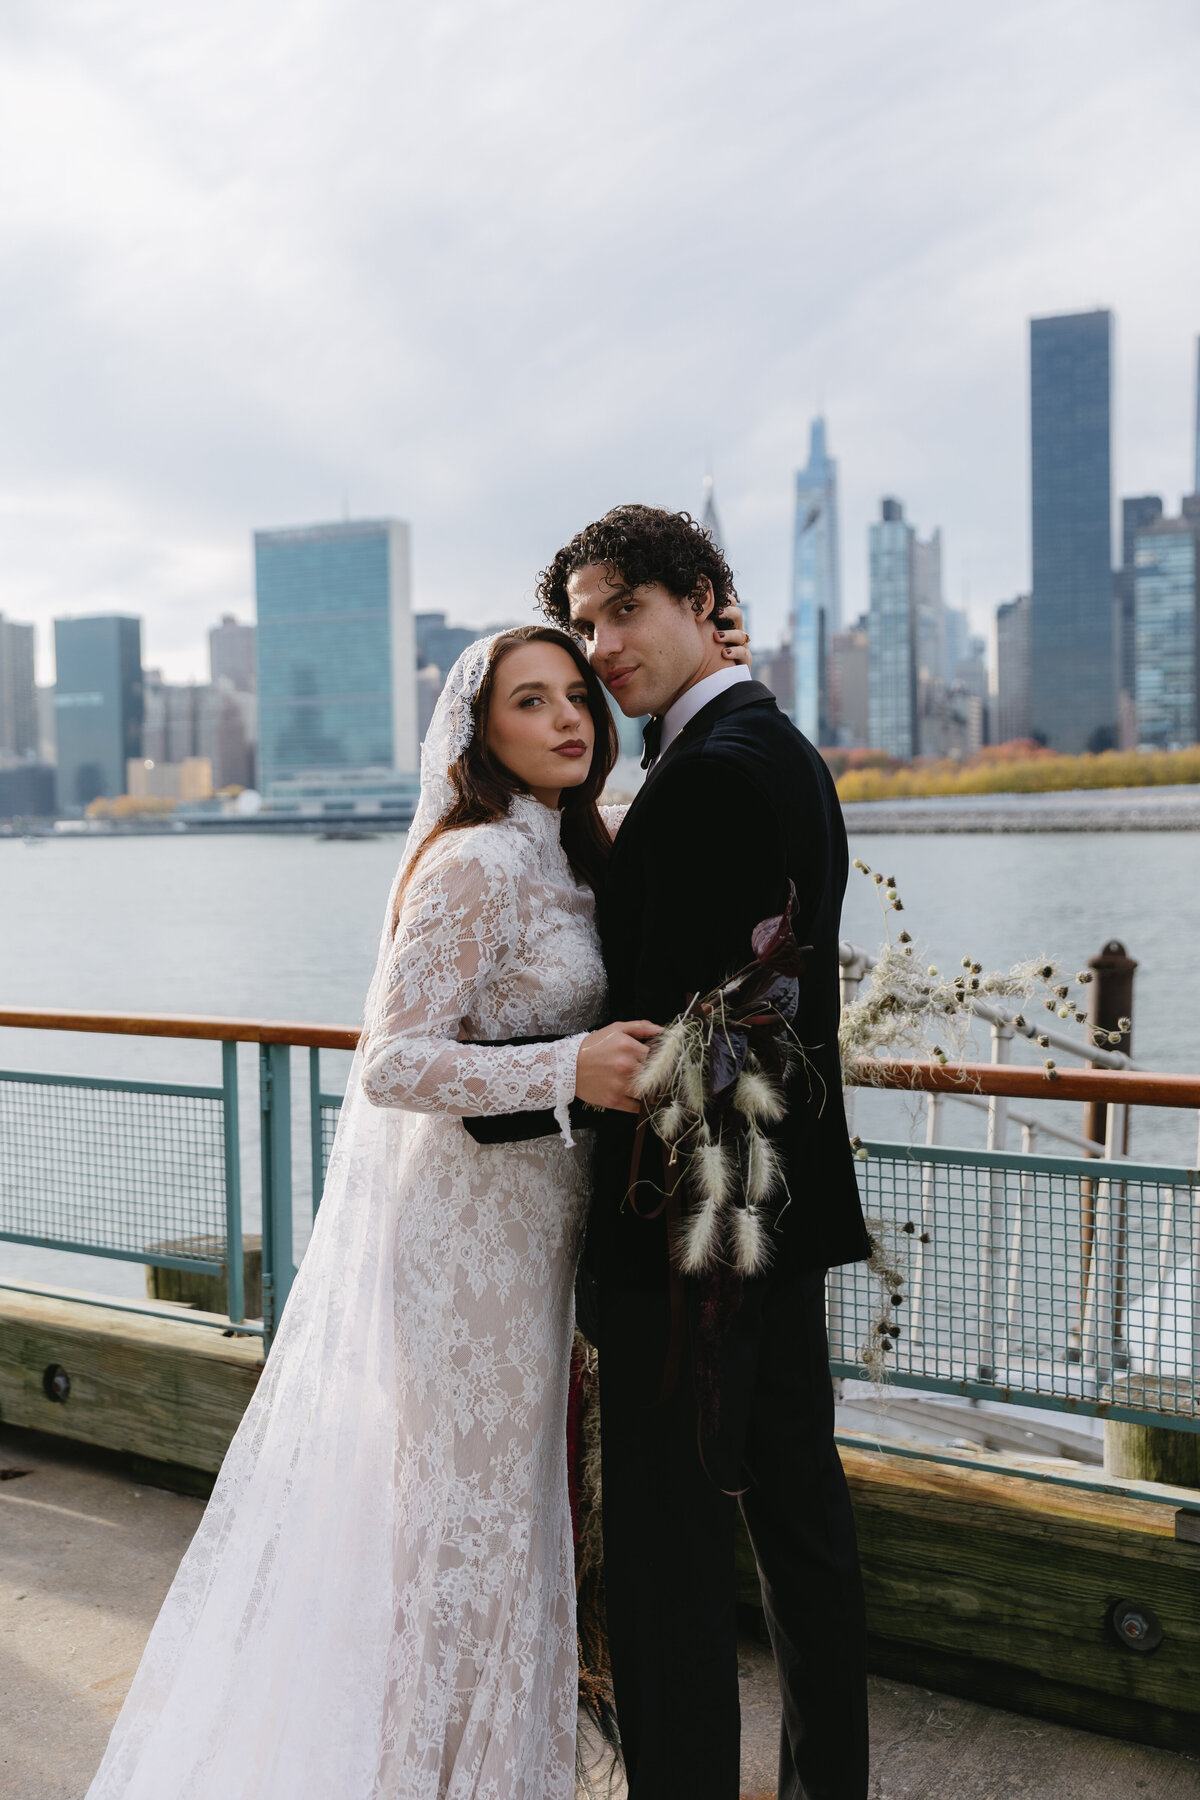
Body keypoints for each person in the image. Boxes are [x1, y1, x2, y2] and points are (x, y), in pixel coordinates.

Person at [83, 616, 748, 1800]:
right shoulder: (471, 861)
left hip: (536, 1232)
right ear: (481, 734)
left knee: (512, 1529)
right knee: (460, 1531)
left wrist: (721, 660)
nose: (566, 720)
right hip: (458, 1238)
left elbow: (690, 779)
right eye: (531, 702)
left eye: (575, 698)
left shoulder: (574, 849)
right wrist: (568, 1069)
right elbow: (391, 1062)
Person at [536, 504, 872, 1800]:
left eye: (623, 608)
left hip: (692, 1238)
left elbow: (695, 1030)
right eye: (582, 620)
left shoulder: (715, 771)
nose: (602, 642)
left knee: (674, 1571)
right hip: (774, 1216)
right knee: (801, 1531)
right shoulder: (774, 746)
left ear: (700, 599)